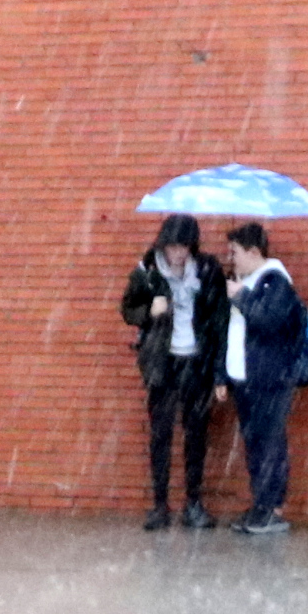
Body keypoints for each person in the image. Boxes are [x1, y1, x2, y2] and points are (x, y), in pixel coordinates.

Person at [121, 215, 223, 530]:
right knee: (160, 435)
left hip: (195, 361)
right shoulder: (147, 271)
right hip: (162, 364)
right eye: (173, 246)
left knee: (196, 435)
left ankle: (193, 503)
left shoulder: (208, 270)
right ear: (163, 243)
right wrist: (148, 312)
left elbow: (219, 319)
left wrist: (217, 371)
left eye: (185, 247)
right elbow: (127, 309)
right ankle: (160, 505)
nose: (178, 253)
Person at [221, 222, 305, 534]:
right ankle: (260, 503)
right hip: (246, 379)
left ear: (255, 252)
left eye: (236, 252)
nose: (232, 259)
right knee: (254, 443)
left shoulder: (276, 282)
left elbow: (269, 323)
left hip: (270, 378)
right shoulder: (245, 281)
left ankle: (273, 506)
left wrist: (241, 298)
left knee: (270, 443)